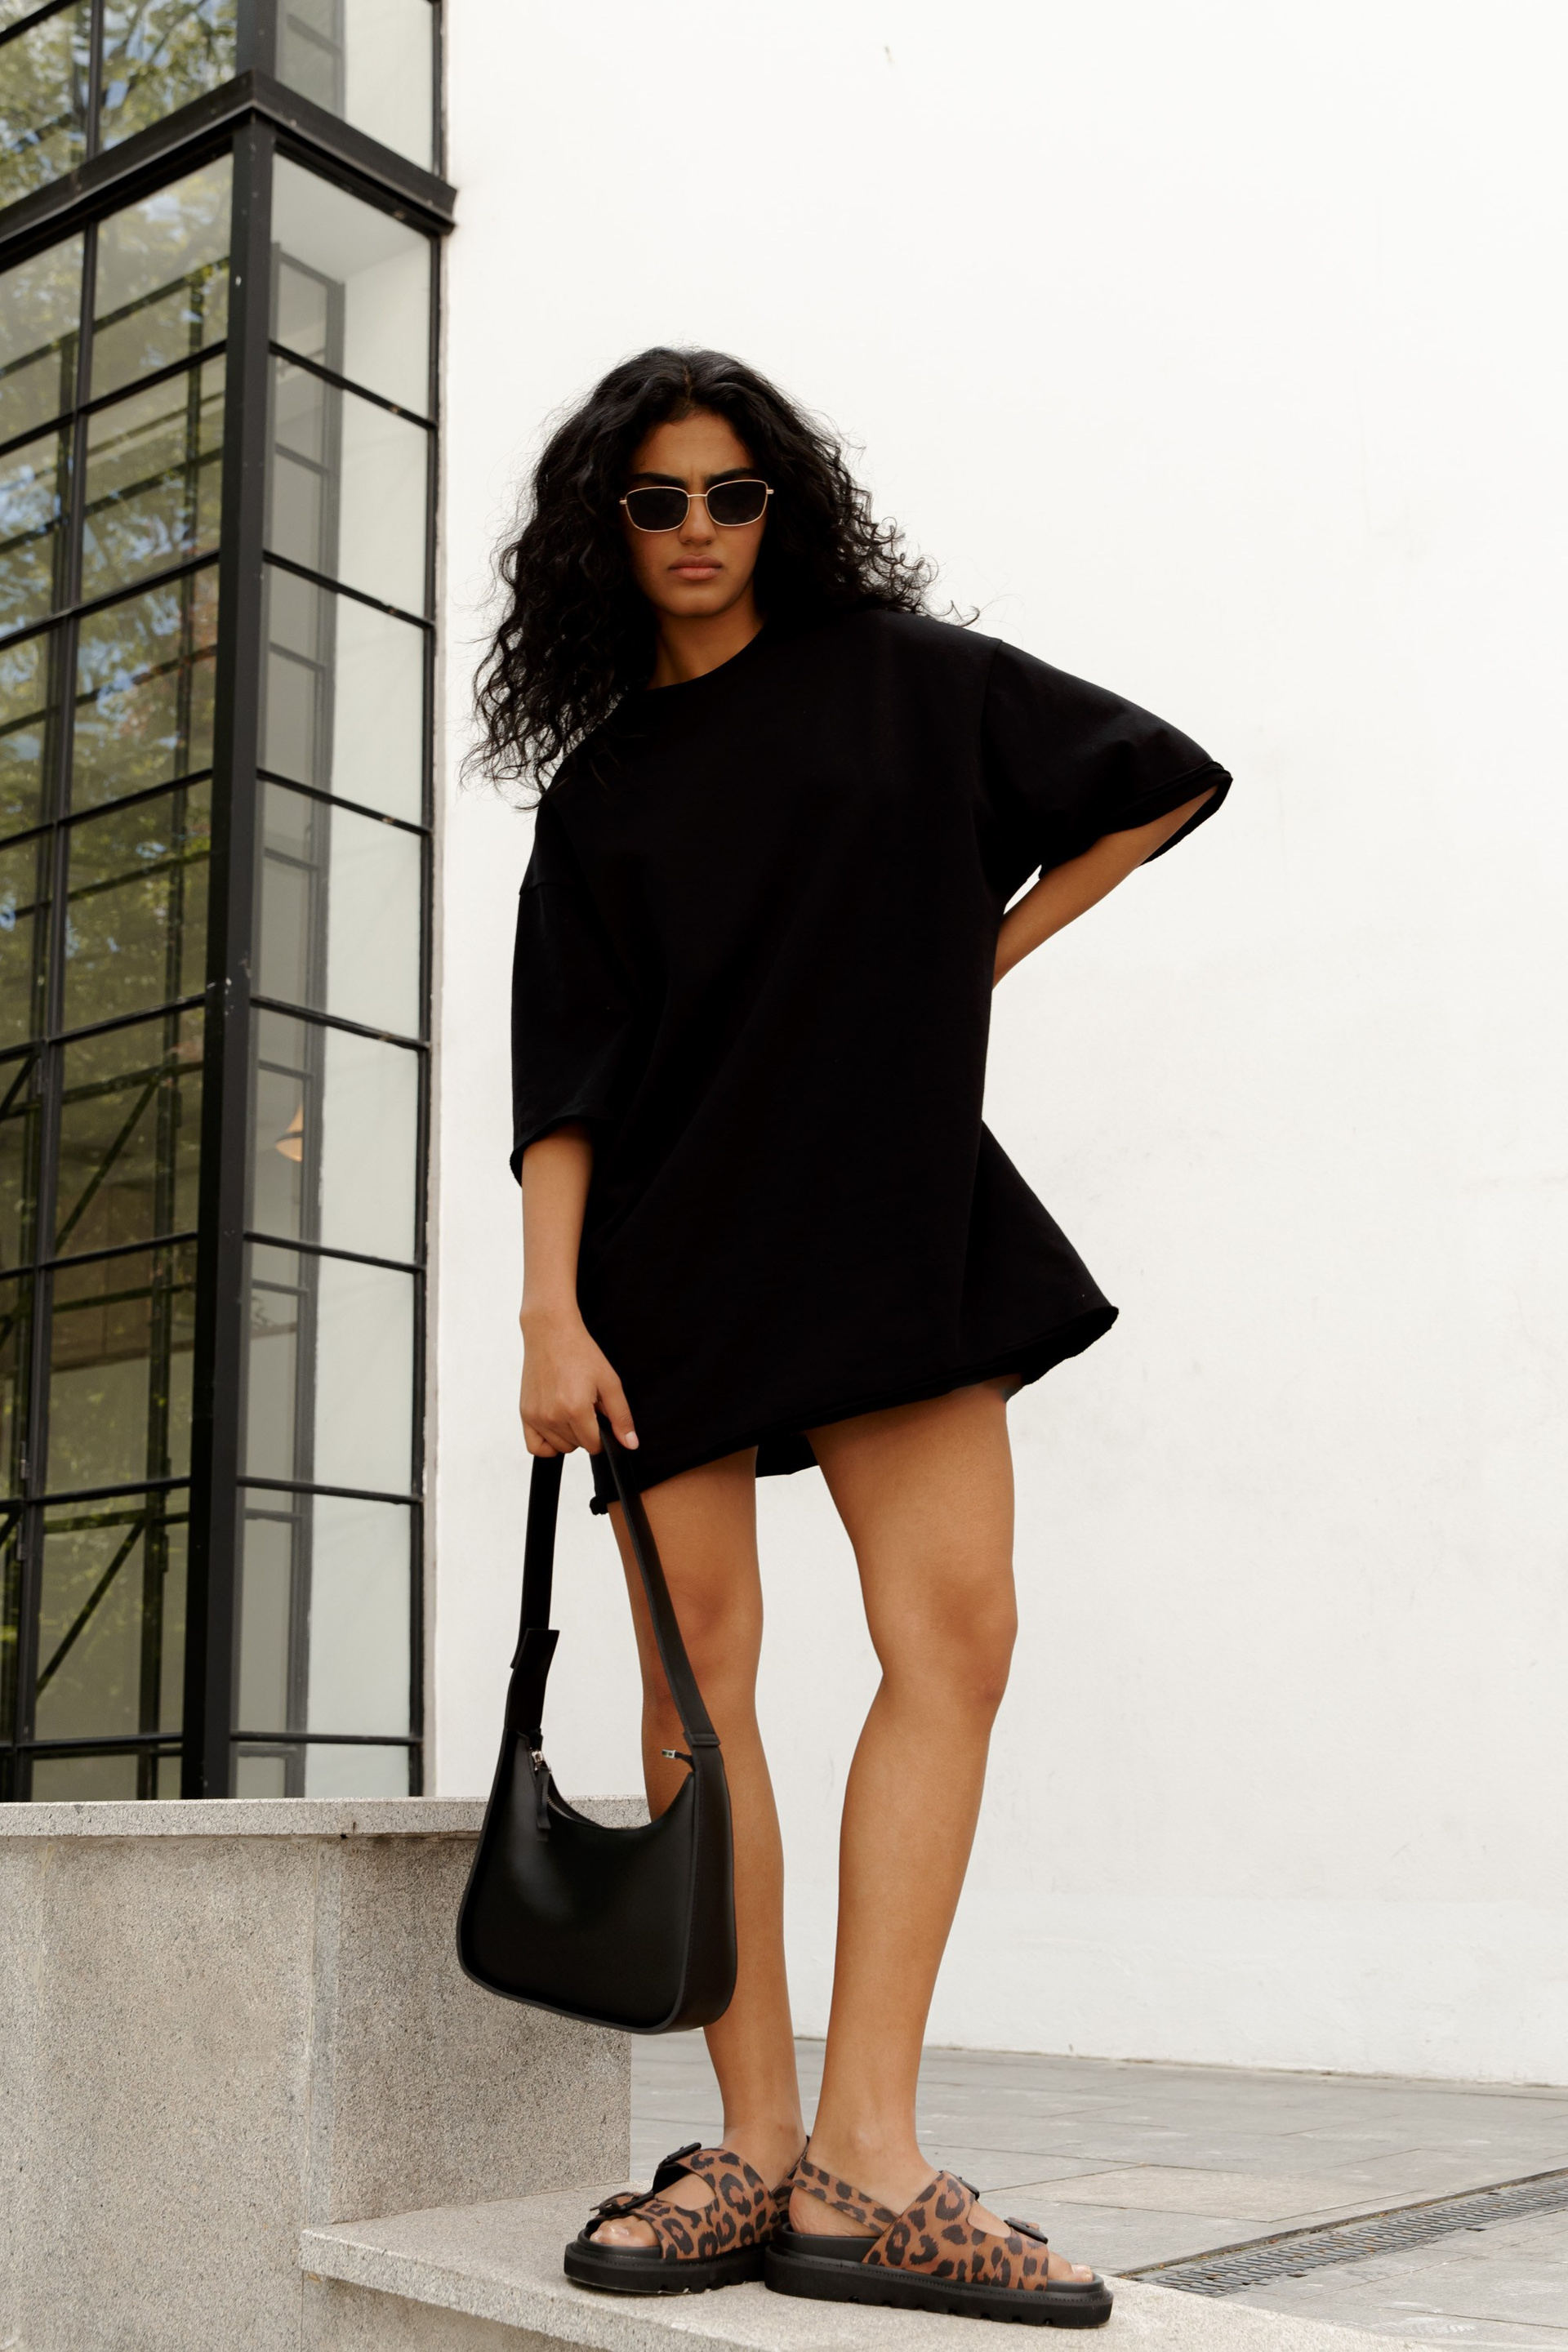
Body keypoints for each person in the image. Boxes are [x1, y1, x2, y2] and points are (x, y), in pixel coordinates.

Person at [473, 346, 1229, 2328]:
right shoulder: (602, 793)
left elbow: (1155, 780)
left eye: (734, 495)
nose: (700, 530)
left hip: (895, 1218)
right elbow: (566, 1082)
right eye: (658, 500)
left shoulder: (906, 678)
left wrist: (966, 965)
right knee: (697, 1696)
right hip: (668, 1259)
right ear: (604, 530)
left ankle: (865, 2158)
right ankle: (748, 2142)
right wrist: (549, 1311)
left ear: (782, 508)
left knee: (955, 1639)